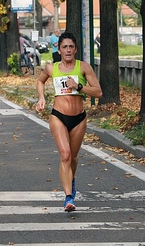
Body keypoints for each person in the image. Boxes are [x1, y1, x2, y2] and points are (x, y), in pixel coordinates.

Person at [35, 32, 102, 212]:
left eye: (71, 47)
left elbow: (98, 92)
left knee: (72, 157)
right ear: (59, 49)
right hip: (58, 116)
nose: (68, 50)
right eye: (64, 47)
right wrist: (41, 98)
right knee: (65, 155)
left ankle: (70, 180)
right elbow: (40, 82)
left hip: (79, 118)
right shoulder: (52, 68)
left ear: (76, 49)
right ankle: (68, 197)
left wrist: (79, 86)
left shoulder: (83, 68)